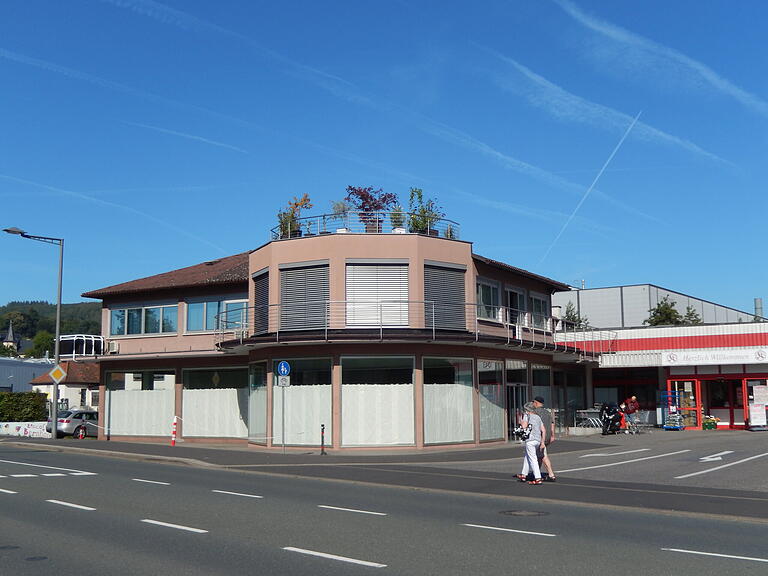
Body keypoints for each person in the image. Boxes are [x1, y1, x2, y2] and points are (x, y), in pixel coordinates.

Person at [517, 402, 546, 485]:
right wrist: (542, 442)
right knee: (527, 456)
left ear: (527, 410)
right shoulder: (538, 417)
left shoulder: (527, 416)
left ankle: (538, 478)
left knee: (533, 459)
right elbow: (543, 430)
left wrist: (521, 421)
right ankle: (524, 474)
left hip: (530, 440)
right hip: (538, 440)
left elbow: (524, 426)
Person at [532, 395, 557, 482]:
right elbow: (552, 424)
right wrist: (553, 436)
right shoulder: (547, 412)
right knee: (539, 455)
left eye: (533, 402)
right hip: (547, 436)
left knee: (543, 456)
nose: (533, 404)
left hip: (539, 437)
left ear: (536, 403)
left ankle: (551, 474)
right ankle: (536, 473)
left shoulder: (535, 412)